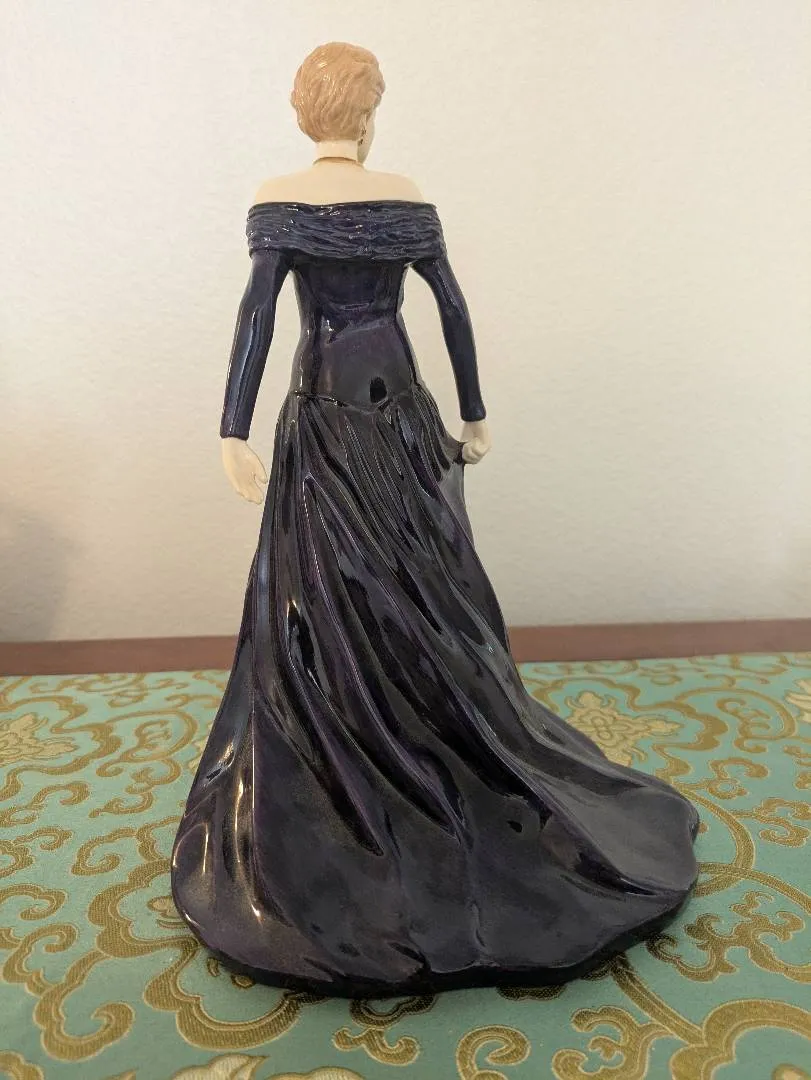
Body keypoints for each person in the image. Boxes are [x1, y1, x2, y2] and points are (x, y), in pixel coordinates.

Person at [171, 42, 699, 998]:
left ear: (302, 111)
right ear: (369, 112)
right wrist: (475, 412)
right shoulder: (404, 197)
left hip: (324, 407)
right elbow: (451, 309)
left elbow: (257, 318)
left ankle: (359, 757)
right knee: (416, 582)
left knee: (333, 585)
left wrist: (231, 430)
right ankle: (409, 742)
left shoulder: (280, 201)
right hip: (396, 402)